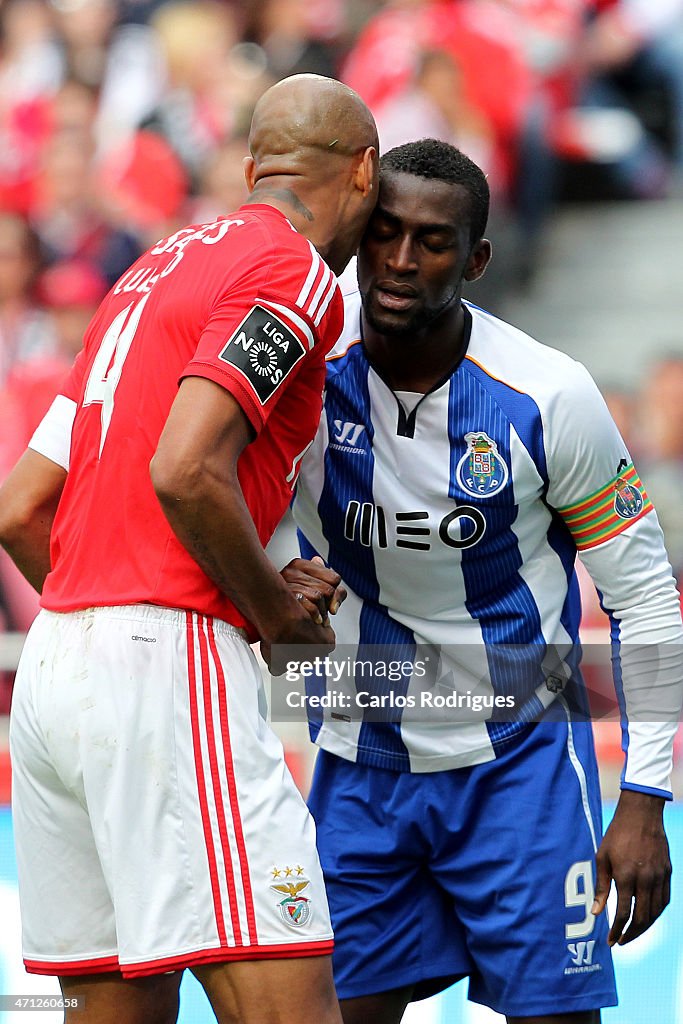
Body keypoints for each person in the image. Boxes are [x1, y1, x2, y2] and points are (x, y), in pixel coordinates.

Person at [0, 73, 378, 1024]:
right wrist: (276, 619)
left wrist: (115, 610)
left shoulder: (142, 274)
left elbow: (18, 510)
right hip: (164, 668)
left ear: (254, 169)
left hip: (52, 668)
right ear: (364, 172)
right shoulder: (292, 271)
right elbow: (185, 470)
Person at [289, 139, 683, 1024]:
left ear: (475, 259)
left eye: (430, 241)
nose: (398, 259)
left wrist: (646, 797)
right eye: (383, 232)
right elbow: (205, 495)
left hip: (521, 765)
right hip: (360, 760)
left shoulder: (548, 395)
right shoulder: (301, 371)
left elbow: (646, 599)